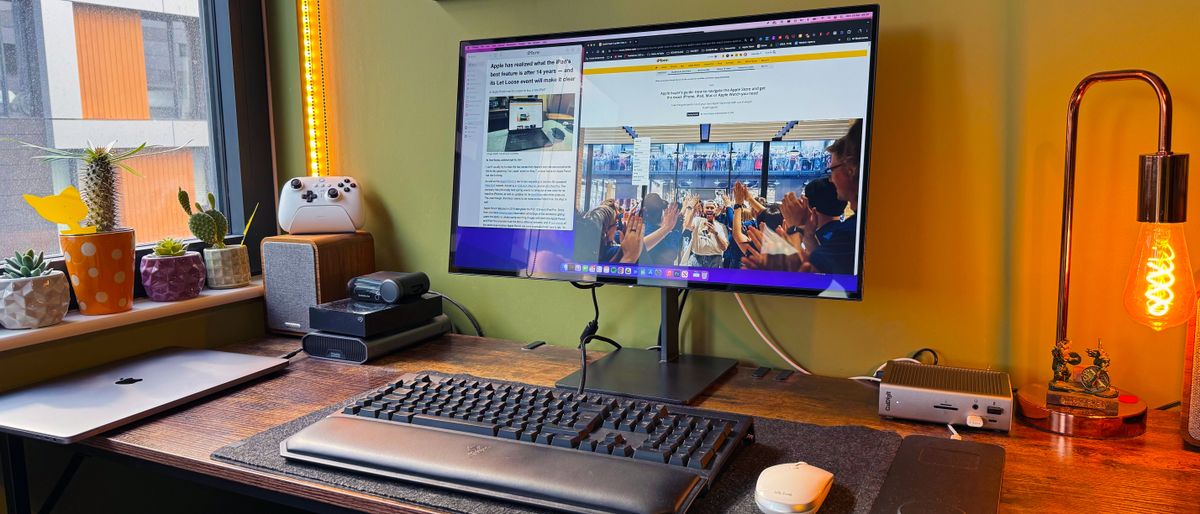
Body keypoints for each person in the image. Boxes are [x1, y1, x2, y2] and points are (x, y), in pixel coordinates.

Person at [638, 193, 683, 266]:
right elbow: (673, 254)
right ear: (662, 211)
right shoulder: (665, 235)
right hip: (662, 274)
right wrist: (673, 230)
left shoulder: (640, 229)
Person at [684, 200, 728, 268]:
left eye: (712, 208)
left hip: (715, 260)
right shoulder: (697, 220)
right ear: (703, 210)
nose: (709, 210)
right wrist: (693, 210)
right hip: (696, 258)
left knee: (714, 279)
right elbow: (687, 226)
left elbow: (724, 247)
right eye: (707, 208)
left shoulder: (721, 226)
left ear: (716, 210)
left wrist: (715, 233)